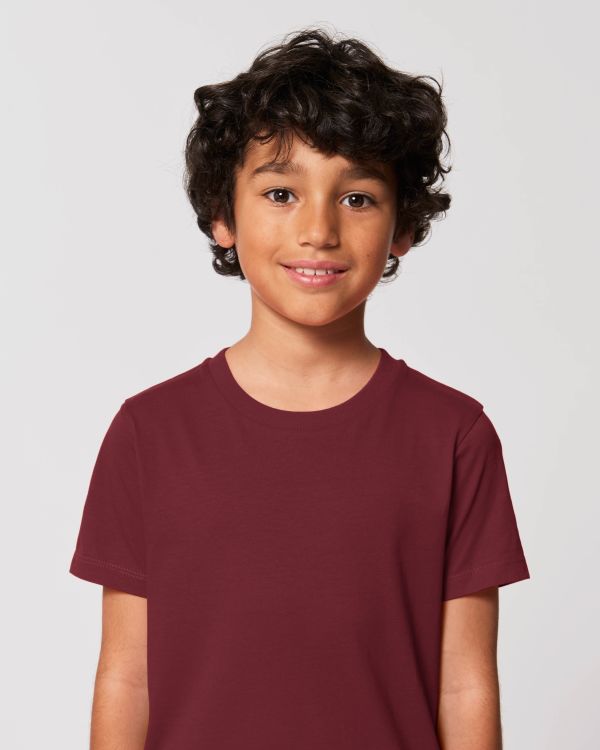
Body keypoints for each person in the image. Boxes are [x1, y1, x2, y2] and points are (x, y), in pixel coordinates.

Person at [69, 26, 531, 750]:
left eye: (358, 198)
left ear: (403, 227)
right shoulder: (148, 433)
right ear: (223, 216)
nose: (318, 229)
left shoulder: (454, 436)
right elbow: (126, 678)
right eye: (281, 193)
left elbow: (465, 683)